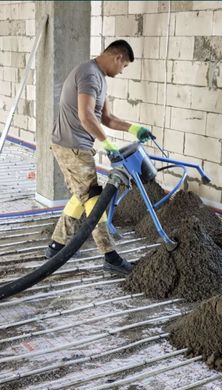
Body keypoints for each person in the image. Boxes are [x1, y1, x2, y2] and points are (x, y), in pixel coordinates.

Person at [45, 39, 153, 276]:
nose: (122, 72)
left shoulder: (99, 78)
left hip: (76, 145)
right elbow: (85, 116)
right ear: (118, 58)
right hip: (71, 146)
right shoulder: (89, 75)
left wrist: (134, 129)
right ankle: (110, 256)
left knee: (83, 193)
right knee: (94, 198)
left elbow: (106, 118)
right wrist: (107, 143)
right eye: (124, 66)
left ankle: (56, 245)